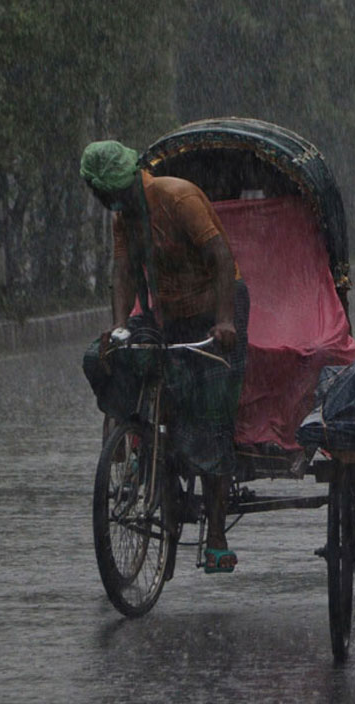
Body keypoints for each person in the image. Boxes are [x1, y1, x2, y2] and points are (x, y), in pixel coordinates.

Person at [80, 140, 249, 574]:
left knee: (210, 416)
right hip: (167, 314)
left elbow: (222, 258)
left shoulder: (177, 197)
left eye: (115, 194)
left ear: (135, 177)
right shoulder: (124, 218)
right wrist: (120, 327)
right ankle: (132, 437)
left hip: (217, 311)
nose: (113, 203)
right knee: (103, 356)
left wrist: (225, 322)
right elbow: (123, 273)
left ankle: (215, 533)